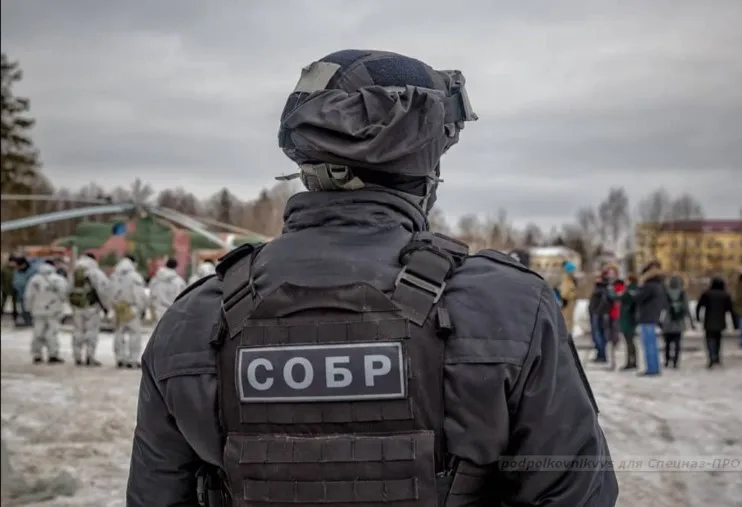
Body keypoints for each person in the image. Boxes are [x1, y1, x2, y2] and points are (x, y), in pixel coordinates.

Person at [127, 49, 618, 507]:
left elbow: (155, 494)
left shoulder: (195, 318)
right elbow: (576, 492)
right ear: (426, 165)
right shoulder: (512, 308)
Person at [68, 252, 111, 366]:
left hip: (77, 307)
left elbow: (67, 289)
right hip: (91, 306)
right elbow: (103, 290)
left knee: (77, 331)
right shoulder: (95, 272)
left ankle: (77, 357)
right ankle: (90, 356)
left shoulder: (74, 272)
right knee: (91, 331)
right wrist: (106, 307)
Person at [23, 260, 68, 364]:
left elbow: (28, 296)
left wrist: (28, 308)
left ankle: (37, 355)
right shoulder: (58, 279)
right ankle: (53, 355)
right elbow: (64, 295)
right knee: (52, 333)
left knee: (37, 332)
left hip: (37, 310)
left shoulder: (34, 280)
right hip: (53, 310)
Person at [109, 255, 147, 368]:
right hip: (131, 309)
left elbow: (109, 292)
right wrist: (141, 308)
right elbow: (139, 295)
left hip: (117, 308)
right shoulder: (135, 277)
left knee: (119, 334)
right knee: (134, 334)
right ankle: (133, 359)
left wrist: (111, 307)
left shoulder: (114, 276)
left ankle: (120, 358)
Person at [635, 260, 667, 376]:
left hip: (647, 316)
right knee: (652, 344)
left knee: (649, 344)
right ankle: (654, 367)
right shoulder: (660, 285)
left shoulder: (649, 286)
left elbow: (638, 298)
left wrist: (638, 289)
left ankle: (651, 369)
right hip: (653, 316)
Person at [696, 277, 735, 369]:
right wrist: (735, 323)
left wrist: (697, 317)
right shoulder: (725, 295)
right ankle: (717, 357)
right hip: (720, 321)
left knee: (709, 340)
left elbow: (699, 306)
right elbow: (731, 310)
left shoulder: (707, 294)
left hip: (708, 321)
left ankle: (711, 357)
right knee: (718, 340)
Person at [661, 275, 694, 368]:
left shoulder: (666, 293)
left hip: (668, 321)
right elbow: (686, 308)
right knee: (677, 343)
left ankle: (667, 360)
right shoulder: (683, 293)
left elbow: (662, 307)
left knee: (667, 343)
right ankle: (675, 361)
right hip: (679, 322)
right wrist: (691, 322)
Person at [147, 258, 187, 322]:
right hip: (174, 309)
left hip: (158, 309)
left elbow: (151, 294)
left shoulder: (155, 279)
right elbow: (184, 296)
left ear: (166, 265)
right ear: (176, 266)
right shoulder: (179, 281)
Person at [11, 255, 40, 327]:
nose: (18, 267)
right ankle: (27, 322)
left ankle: (34, 323)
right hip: (21, 295)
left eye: (19, 265)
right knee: (24, 310)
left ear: (24, 264)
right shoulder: (17, 271)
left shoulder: (33, 271)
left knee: (32, 310)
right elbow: (15, 281)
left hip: (32, 296)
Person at [588, 271, 611, 363]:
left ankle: (602, 355)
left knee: (598, 334)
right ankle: (600, 354)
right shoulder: (599, 287)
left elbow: (604, 302)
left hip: (598, 314)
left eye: (598, 277)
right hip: (595, 313)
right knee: (597, 334)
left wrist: (598, 311)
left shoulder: (602, 288)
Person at [618, 274, 639, 371]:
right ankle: (634, 361)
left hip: (627, 319)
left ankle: (630, 362)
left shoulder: (629, 291)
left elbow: (617, 297)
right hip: (632, 319)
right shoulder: (636, 290)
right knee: (631, 342)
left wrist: (610, 292)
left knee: (629, 342)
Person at [559, 260, 578, 337]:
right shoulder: (569, 278)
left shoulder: (567, 278)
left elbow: (565, 291)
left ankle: (567, 334)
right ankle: (567, 334)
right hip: (569, 300)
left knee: (567, 318)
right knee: (568, 319)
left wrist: (564, 297)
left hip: (568, 300)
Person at [1, 257, 19, 322]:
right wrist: (3, 287)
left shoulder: (16, 269)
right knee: (3, 303)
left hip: (14, 289)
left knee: (14, 304)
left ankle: (15, 316)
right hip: (5, 289)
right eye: (11, 262)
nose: (12, 264)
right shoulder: (4, 270)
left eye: (14, 262)